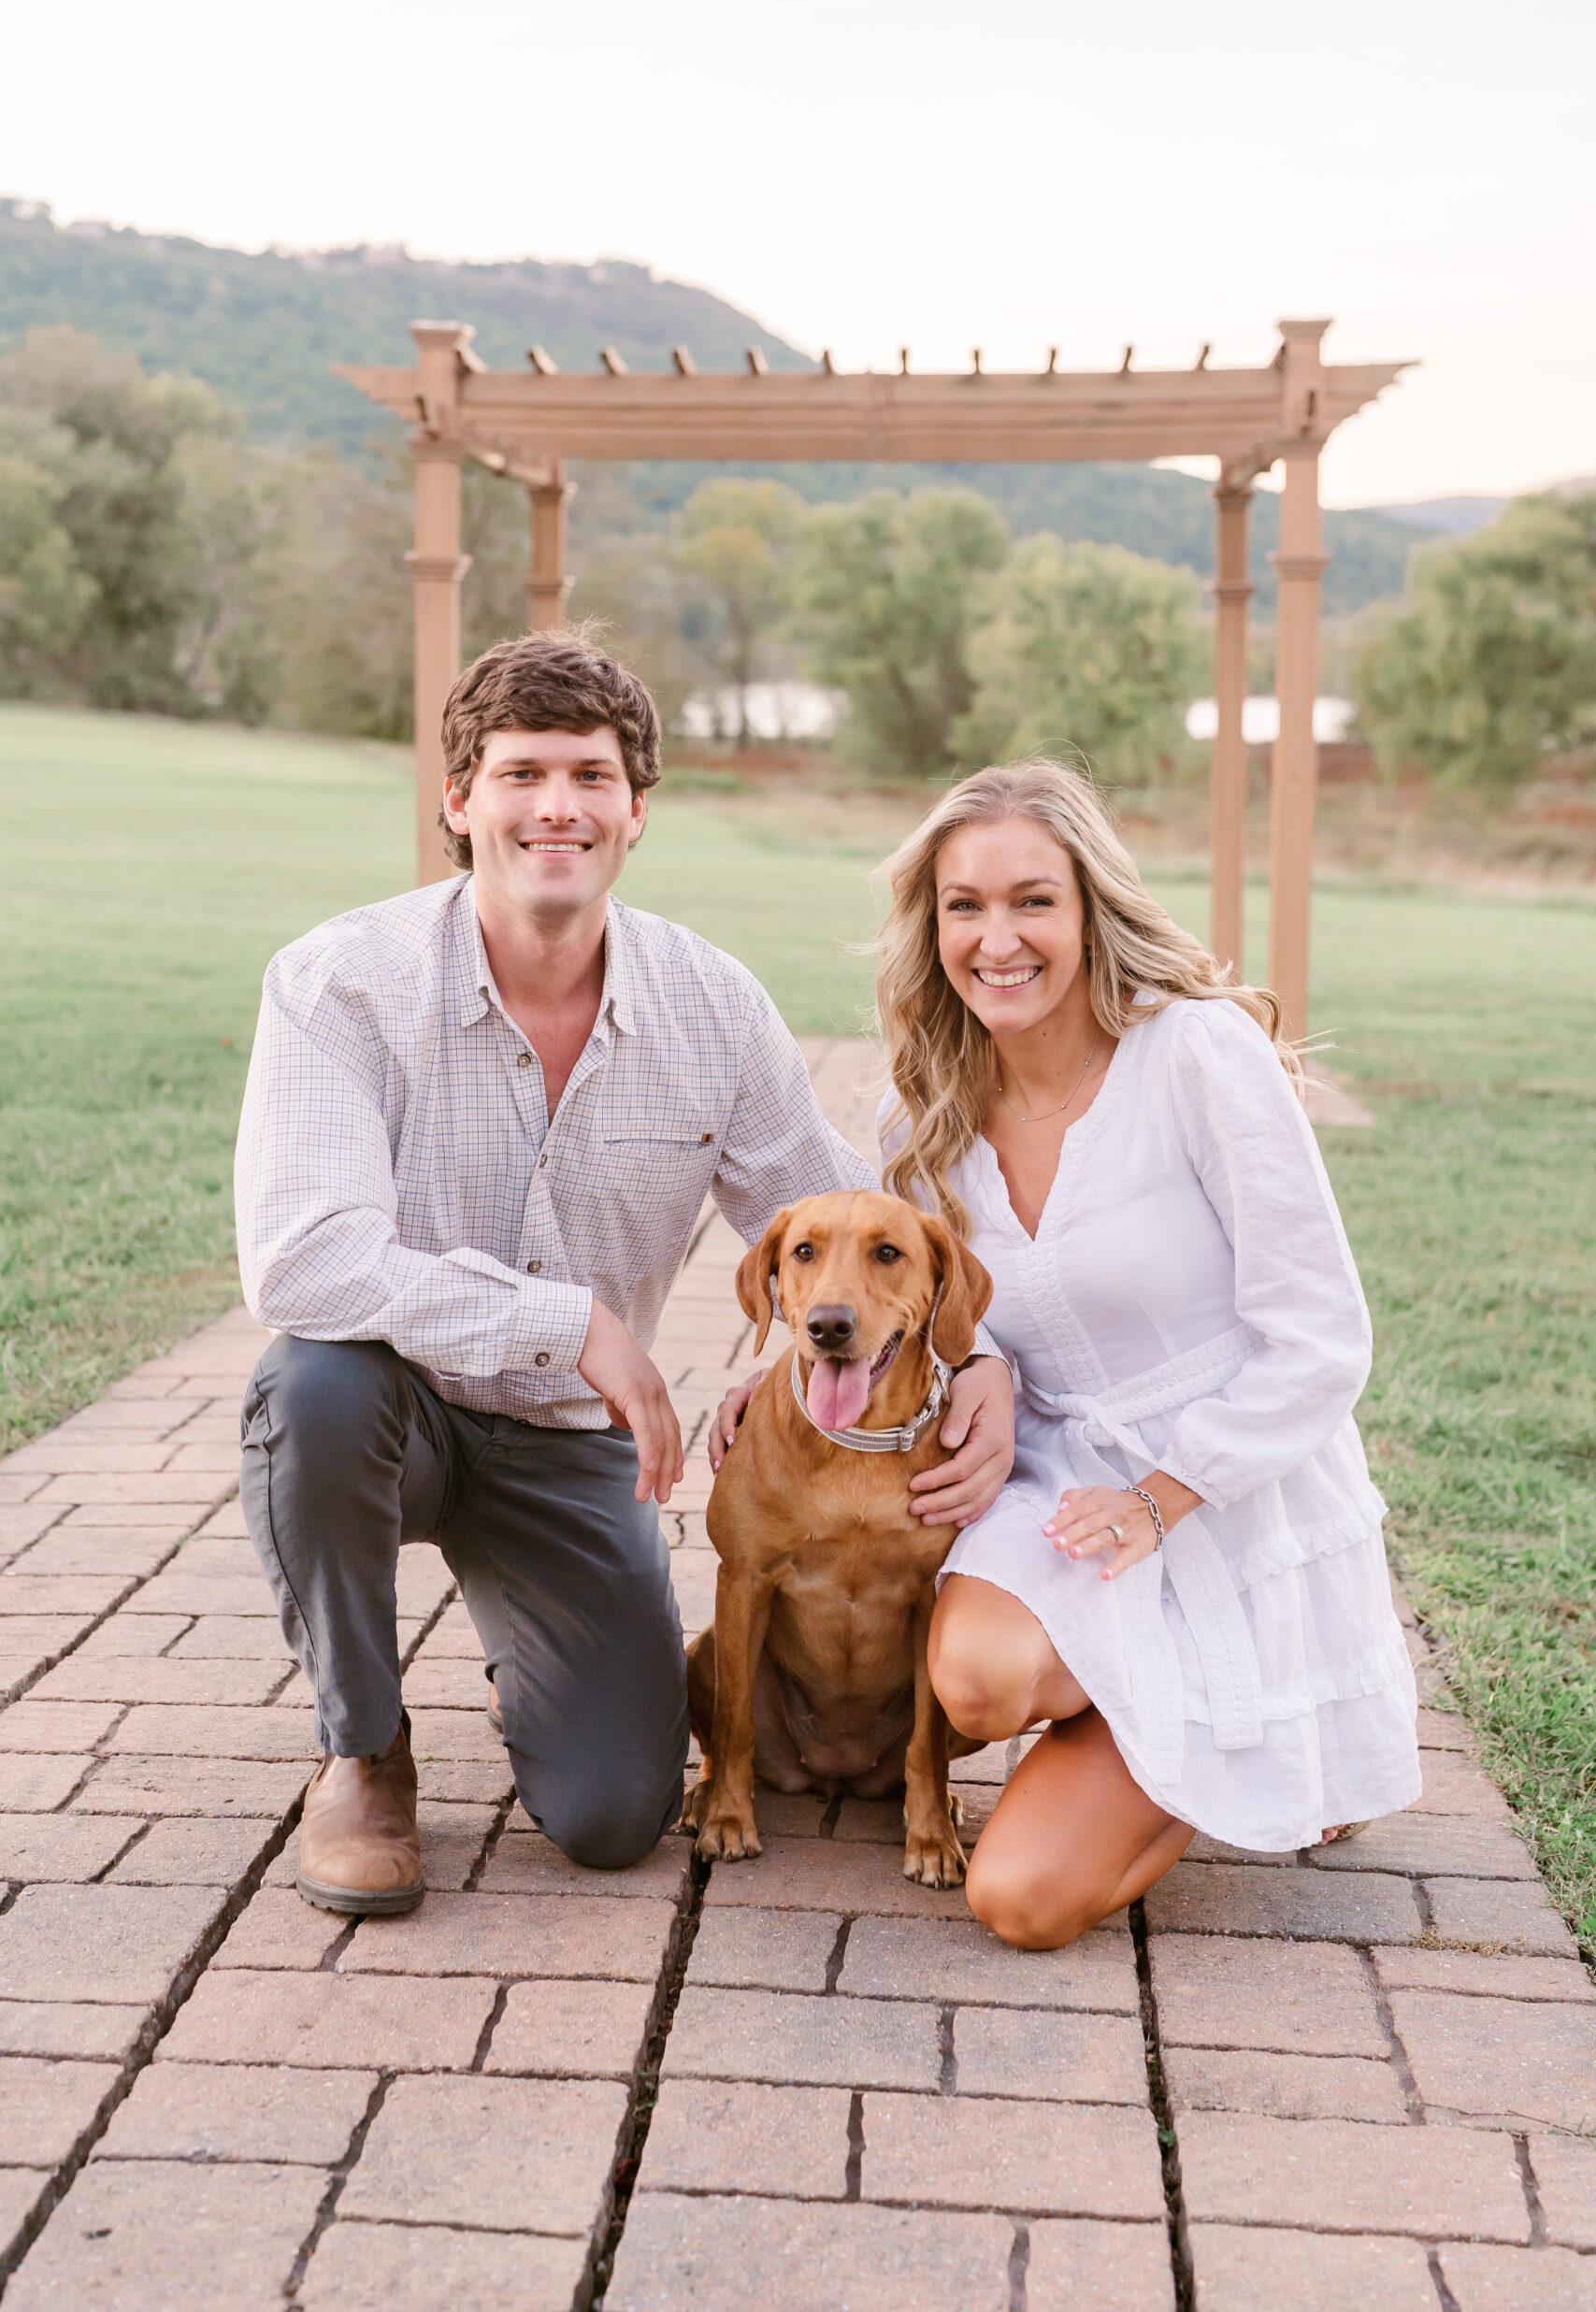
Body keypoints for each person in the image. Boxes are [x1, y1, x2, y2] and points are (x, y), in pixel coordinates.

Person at [234, 631, 1014, 1916]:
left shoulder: (711, 1005)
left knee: (611, 1815)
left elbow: (836, 1219)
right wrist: (570, 1320)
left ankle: (539, 1663)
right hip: (396, 1408)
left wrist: (981, 1360)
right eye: (521, 772)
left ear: (634, 811)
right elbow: (304, 1261)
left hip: (569, 1452)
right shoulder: (338, 983)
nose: (556, 806)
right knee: (309, 1394)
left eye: (590, 776)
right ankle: (362, 1750)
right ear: (457, 801)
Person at [712, 758, 1419, 1949]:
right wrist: (951, 1370)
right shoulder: (923, 1114)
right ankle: (1153, 1718)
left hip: (1223, 1491)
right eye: (964, 906)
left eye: (1033, 900)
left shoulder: (1197, 1056)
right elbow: (934, 1307)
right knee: (973, 1679)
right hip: (1055, 1491)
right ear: (928, 926)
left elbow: (1322, 1337)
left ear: (1093, 906)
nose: (999, 939)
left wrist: (1163, 1496)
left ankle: (1230, 1724)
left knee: (1020, 1901)